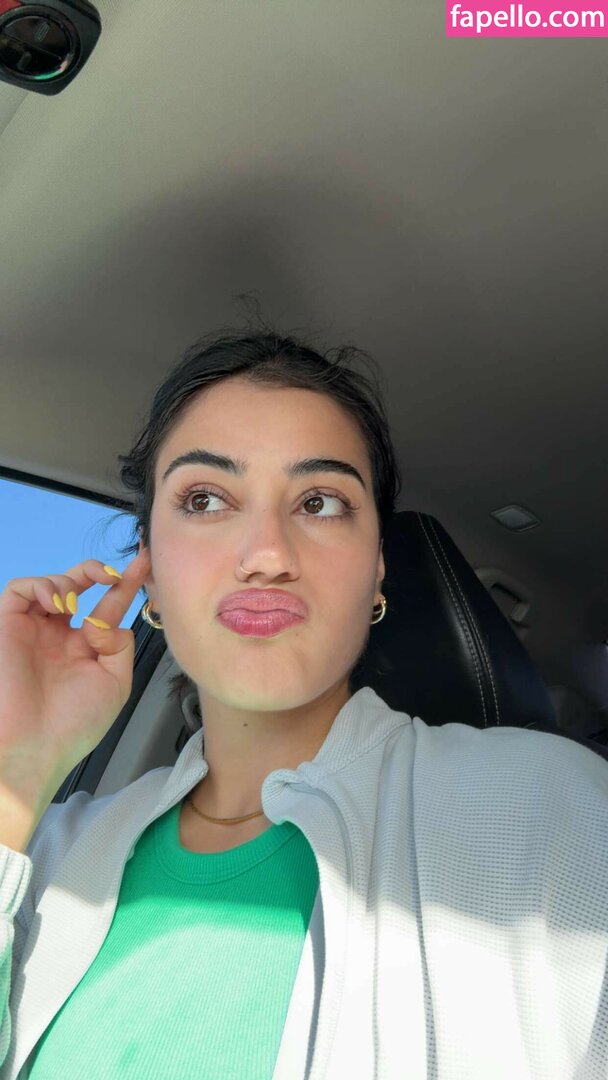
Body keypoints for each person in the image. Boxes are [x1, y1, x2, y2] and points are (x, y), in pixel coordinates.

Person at [1, 317, 608, 1079]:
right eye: (205, 499)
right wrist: (18, 773)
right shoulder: (46, 852)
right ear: (147, 569)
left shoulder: (551, 806)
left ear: (377, 569)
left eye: (320, 502)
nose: (267, 555)